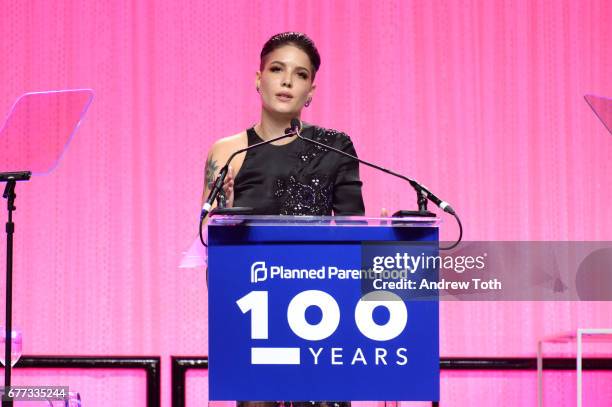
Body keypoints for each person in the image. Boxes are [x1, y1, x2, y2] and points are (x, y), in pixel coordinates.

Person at [201, 32, 361, 407]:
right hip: (256, 318)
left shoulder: (336, 147)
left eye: (300, 74)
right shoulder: (228, 152)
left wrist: (385, 233)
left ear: (311, 90)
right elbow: (214, 252)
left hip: (323, 314)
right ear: (259, 79)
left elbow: (353, 238)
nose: (287, 81)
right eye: (277, 69)